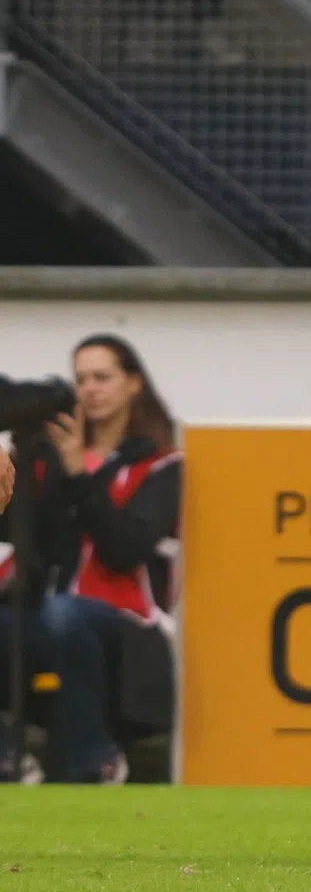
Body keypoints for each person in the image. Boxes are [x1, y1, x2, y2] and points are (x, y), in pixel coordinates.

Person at [0, 334, 182, 784]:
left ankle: (92, 758)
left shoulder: (160, 463)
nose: (90, 389)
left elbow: (126, 549)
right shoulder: (45, 456)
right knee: (43, 615)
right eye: (81, 379)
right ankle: (8, 754)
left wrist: (80, 472)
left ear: (133, 384)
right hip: (47, 613)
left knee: (65, 616)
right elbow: (22, 537)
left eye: (103, 377)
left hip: (124, 622)